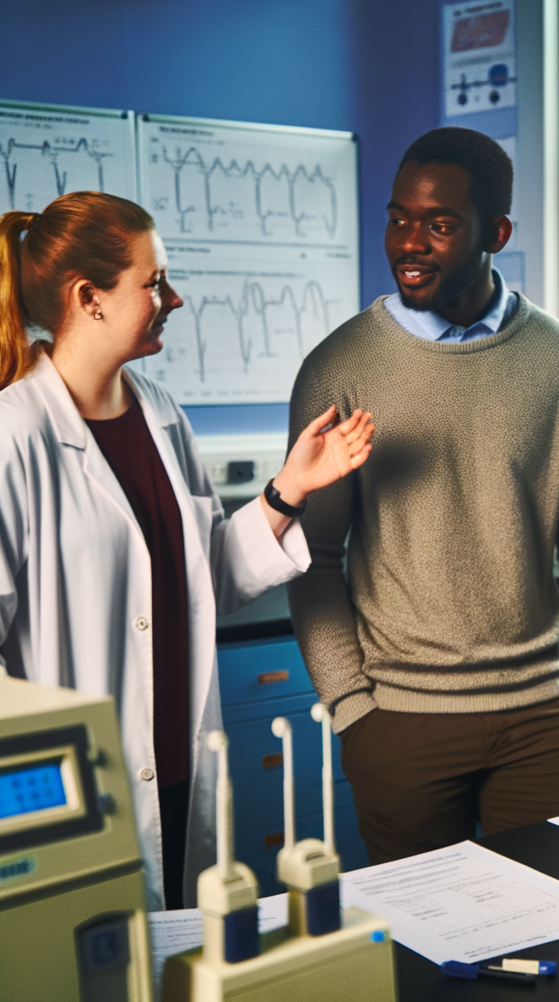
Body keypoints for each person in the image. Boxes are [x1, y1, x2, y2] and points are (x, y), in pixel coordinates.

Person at [288, 127, 559, 865]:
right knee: (423, 957)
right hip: (400, 721)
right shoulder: (338, 368)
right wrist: (352, 708)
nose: (408, 242)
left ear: (495, 232)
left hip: (544, 717)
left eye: (438, 225)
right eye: (397, 218)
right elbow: (312, 557)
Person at [0, 192, 374, 910]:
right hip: (75, 787)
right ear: (90, 298)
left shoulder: (163, 415)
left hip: (180, 764)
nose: (174, 297)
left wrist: (289, 489)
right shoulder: (16, 435)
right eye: (154, 281)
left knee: (176, 962)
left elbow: (209, 581)